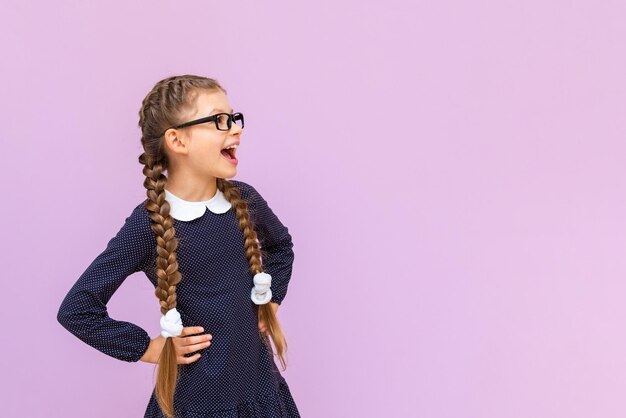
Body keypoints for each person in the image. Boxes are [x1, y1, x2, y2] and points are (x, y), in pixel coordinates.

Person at [57, 74, 301, 418]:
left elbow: (281, 247)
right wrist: (147, 348)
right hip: (194, 406)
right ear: (177, 140)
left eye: (234, 118)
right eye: (219, 120)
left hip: (262, 393)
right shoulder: (148, 226)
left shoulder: (245, 200)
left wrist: (271, 299)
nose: (236, 129)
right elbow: (77, 309)